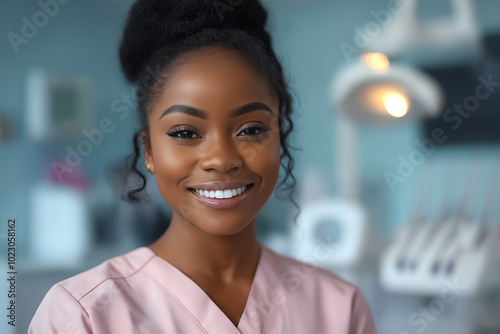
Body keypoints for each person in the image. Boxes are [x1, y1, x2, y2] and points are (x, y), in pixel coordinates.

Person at [28, 0, 378, 333]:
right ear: (148, 150)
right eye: (185, 132)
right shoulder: (81, 315)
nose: (222, 159)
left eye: (252, 129)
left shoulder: (340, 308)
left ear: (279, 138)